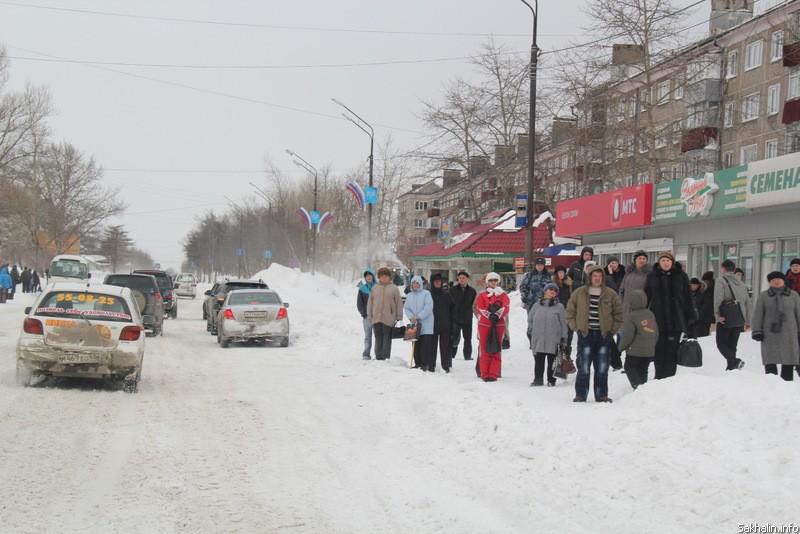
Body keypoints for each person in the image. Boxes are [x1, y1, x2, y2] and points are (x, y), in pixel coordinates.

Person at [566, 265, 623, 402]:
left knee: (602, 367)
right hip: (585, 334)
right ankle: (581, 394)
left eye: (600, 276)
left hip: (604, 336)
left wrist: (612, 331)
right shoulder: (579, 293)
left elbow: (619, 314)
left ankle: (601, 395)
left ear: (603, 278)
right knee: (584, 367)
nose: (597, 278)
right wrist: (576, 328)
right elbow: (569, 312)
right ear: (589, 277)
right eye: (594, 276)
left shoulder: (610, 294)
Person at [644, 251, 697, 379]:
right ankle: (659, 375)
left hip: (676, 319)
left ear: (672, 262)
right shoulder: (652, 276)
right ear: (659, 262)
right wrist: (643, 315)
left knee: (672, 349)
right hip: (658, 319)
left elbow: (689, 297)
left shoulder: (681, 276)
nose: (665, 263)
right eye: (663, 260)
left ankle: (669, 376)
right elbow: (646, 296)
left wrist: (691, 315)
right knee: (659, 349)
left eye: (668, 260)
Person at [751, 271, 800, 381]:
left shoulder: (793, 295)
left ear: (784, 281)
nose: (776, 282)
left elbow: (799, 313)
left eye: (778, 279)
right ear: (770, 283)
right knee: (770, 359)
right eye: (773, 280)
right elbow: (758, 314)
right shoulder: (764, 296)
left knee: (789, 358)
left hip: (789, 333)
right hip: (770, 333)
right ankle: (771, 384)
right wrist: (757, 330)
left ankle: (787, 383)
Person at [713, 259, 751, 371]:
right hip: (739, 318)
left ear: (723, 269)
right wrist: (748, 320)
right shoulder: (742, 284)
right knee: (732, 344)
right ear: (734, 270)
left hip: (726, 317)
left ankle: (735, 362)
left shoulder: (721, 280)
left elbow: (718, 299)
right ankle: (731, 368)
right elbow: (748, 302)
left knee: (721, 343)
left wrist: (717, 315)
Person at [528, 283, 568, 387]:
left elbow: (564, 324)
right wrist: (539, 328)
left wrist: (564, 338)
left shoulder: (559, 307)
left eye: (555, 290)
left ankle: (551, 380)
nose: (553, 291)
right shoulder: (537, 305)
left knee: (552, 361)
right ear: (545, 291)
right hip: (539, 337)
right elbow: (530, 319)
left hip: (553, 338)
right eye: (550, 289)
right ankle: (538, 380)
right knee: (538, 360)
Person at [617, 290, 658, 390]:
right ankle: (643, 389)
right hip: (649, 350)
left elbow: (628, 335)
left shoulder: (632, 316)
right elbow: (656, 332)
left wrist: (621, 347)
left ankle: (637, 387)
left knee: (629, 367)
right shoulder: (650, 314)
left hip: (635, 351)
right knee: (643, 369)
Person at [475, 272, 510, 382]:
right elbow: (479, 308)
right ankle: (484, 374)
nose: (493, 282)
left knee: (496, 349)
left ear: (498, 281)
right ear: (487, 282)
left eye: (495, 280)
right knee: (485, 350)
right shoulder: (482, 295)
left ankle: (494, 374)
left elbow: (506, 307)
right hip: (484, 324)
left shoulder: (503, 295)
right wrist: (489, 315)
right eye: (491, 280)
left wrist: (497, 315)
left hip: (498, 325)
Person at [367, 267, 403, 361]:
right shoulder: (375, 288)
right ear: (379, 277)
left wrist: (399, 316)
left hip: (389, 317)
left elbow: (398, 303)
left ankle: (385, 357)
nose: (384, 278)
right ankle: (378, 356)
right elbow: (370, 302)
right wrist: (370, 315)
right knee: (378, 338)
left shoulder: (394, 288)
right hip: (377, 317)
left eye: (386, 276)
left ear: (389, 277)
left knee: (387, 338)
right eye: (382, 276)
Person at [404, 275, 434, 371]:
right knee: (415, 344)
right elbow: (407, 308)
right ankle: (418, 363)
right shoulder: (409, 296)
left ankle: (425, 364)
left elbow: (429, 306)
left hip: (426, 323)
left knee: (425, 345)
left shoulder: (426, 293)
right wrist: (411, 317)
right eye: (414, 283)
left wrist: (419, 316)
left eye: (417, 283)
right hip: (414, 324)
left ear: (420, 284)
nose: (415, 285)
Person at [429, 274, 454, 373]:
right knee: (432, 346)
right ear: (432, 282)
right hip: (432, 325)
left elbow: (453, 309)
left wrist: (452, 323)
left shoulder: (447, 295)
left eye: (439, 281)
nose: (437, 283)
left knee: (445, 347)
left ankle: (446, 365)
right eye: (435, 281)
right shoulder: (428, 295)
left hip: (445, 325)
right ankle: (431, 365)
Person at [450, 271, 477, 360]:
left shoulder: (472, 291)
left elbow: (474, 305)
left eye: (463, 278)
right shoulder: (452, 290)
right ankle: (451, 355)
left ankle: (467, 355)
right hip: (455, 318)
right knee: (454, 337)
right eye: (460, 278)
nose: (461, 280)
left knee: (468, 338)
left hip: (467, 318)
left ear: (467, 279)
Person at [619, 250, 651, 323]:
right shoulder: (628, 273)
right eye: (639, 258)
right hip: (625, 310)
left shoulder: (649, 275)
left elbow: (650, 294)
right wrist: (621, 303)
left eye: (644, 258)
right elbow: (621, 289)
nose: (642, 260)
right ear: (635, 260)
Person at [356, 268, 377, 360]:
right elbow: (359, 303)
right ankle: (366, 354)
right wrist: (364, 314)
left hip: (377, 316)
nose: (368, 277)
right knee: (368, 336)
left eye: (370, 275)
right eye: (367, 276)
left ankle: (378, 354)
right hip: (367, 317)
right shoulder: (362, 289)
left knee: (378, 336)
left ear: (373, 276)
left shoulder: (378, 287)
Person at [552, 265, 574, 351]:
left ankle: (567, 349)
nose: (561, 274)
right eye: (559, 272)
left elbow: (572, 295)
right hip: (556, 310)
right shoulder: (552, 284)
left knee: (569, 330)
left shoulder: (569, 283)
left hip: (568, 309)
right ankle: (556, 349)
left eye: (563, 272)